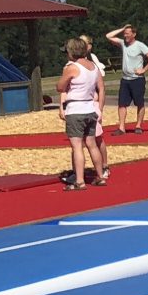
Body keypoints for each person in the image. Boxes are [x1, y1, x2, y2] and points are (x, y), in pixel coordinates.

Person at [57, 38, 108, 190]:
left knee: (77, 146)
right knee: (92, 144)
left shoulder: (72, 67)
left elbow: (60, 87)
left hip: (75, 109)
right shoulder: (93, 66)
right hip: (90, 108)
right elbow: (100, 86)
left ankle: (79, 180)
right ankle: (100, 175)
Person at [114, 25, 148, 132]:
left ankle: (138, 125)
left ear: (134, 34)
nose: (125, 35)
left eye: (127, 33)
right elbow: (108, 36)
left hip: (137, 79)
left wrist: (144, 70)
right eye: (124, 33)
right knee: (122, 104)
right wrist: (122, 28)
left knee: (139, 103)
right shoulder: (123, 44)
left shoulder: (140, 45)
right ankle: (121, 127)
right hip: (125, 79)